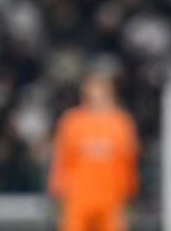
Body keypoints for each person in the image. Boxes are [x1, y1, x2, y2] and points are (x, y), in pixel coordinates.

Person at [49, 73, 139, 231]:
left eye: (101, 90)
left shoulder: (121, 124)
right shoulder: (72, 122)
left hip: (111, 198)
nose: (97, 95)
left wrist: (129, 197)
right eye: (93, 90)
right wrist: (58, 194)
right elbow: (62, 161)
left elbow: (129, 162)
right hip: (78, 197)